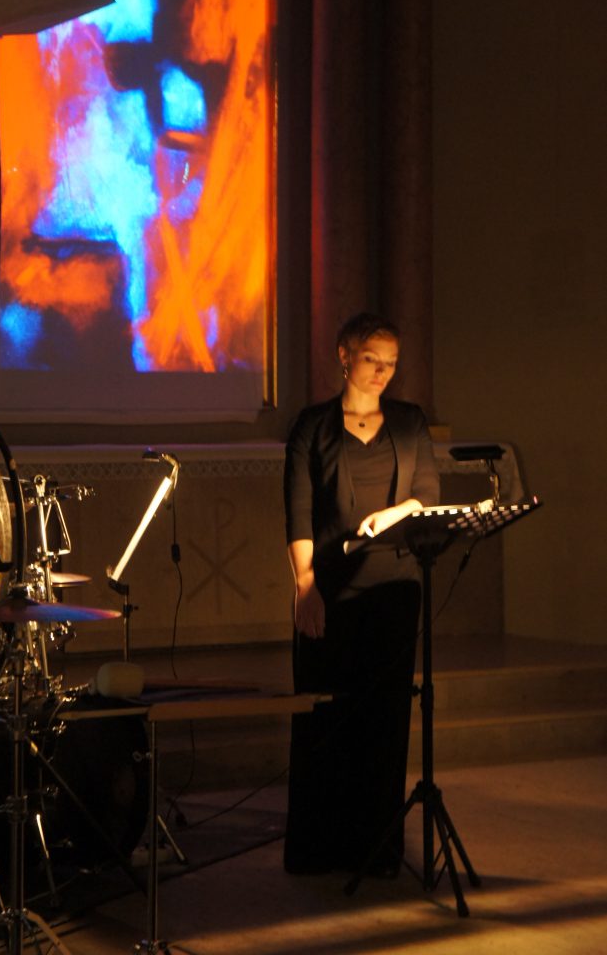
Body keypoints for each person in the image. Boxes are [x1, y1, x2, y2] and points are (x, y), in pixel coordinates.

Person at [283, 312, 439, 875]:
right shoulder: (312, 427)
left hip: (394, 590)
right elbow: (298, 513)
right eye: (373, 359)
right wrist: (306, 586)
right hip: (330, 590)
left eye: (392, 363)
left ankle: (377, 850)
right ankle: (321, 849)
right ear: (345, 356)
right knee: (328, 718)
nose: (382, 373)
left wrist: (393, 514)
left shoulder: (409, 421)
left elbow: (425, 494)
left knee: (385, 722)